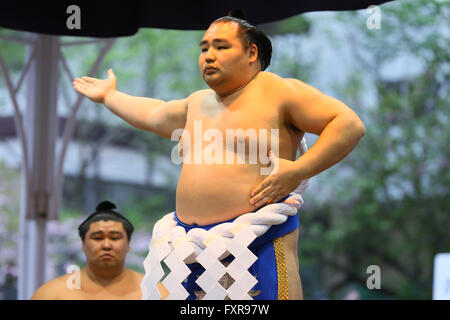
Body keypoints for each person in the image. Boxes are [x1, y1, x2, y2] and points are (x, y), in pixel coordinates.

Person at [72, 15, 365, 300]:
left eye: (221, 46)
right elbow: (153, 113)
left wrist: (299, 170)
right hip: (188, 247)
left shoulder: (277, 90)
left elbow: (347, 124)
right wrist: (110, 96)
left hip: (257, 241)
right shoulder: (198, 102)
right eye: (204, 48)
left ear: (252, 52)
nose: (209, 56)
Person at [31, 201, 157, 300]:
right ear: (83, 244)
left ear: (128, 243)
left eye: (115, 238)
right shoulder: (52, 294)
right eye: (98, 238)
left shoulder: (152, 291)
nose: (106, 245)